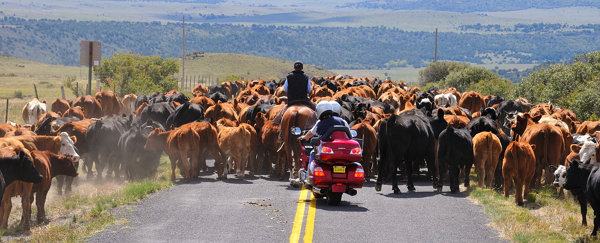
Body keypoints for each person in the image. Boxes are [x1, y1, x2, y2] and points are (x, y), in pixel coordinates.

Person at [272, 61, 314, 126]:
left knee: (279, 116)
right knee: (316, 112)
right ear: (302, 68)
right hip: (304, 100)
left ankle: (277, 127)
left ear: (294, 68)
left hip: (291, 100)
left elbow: (285, 89)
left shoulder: (289, 76)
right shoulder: (306, 77)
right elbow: (309, 90)